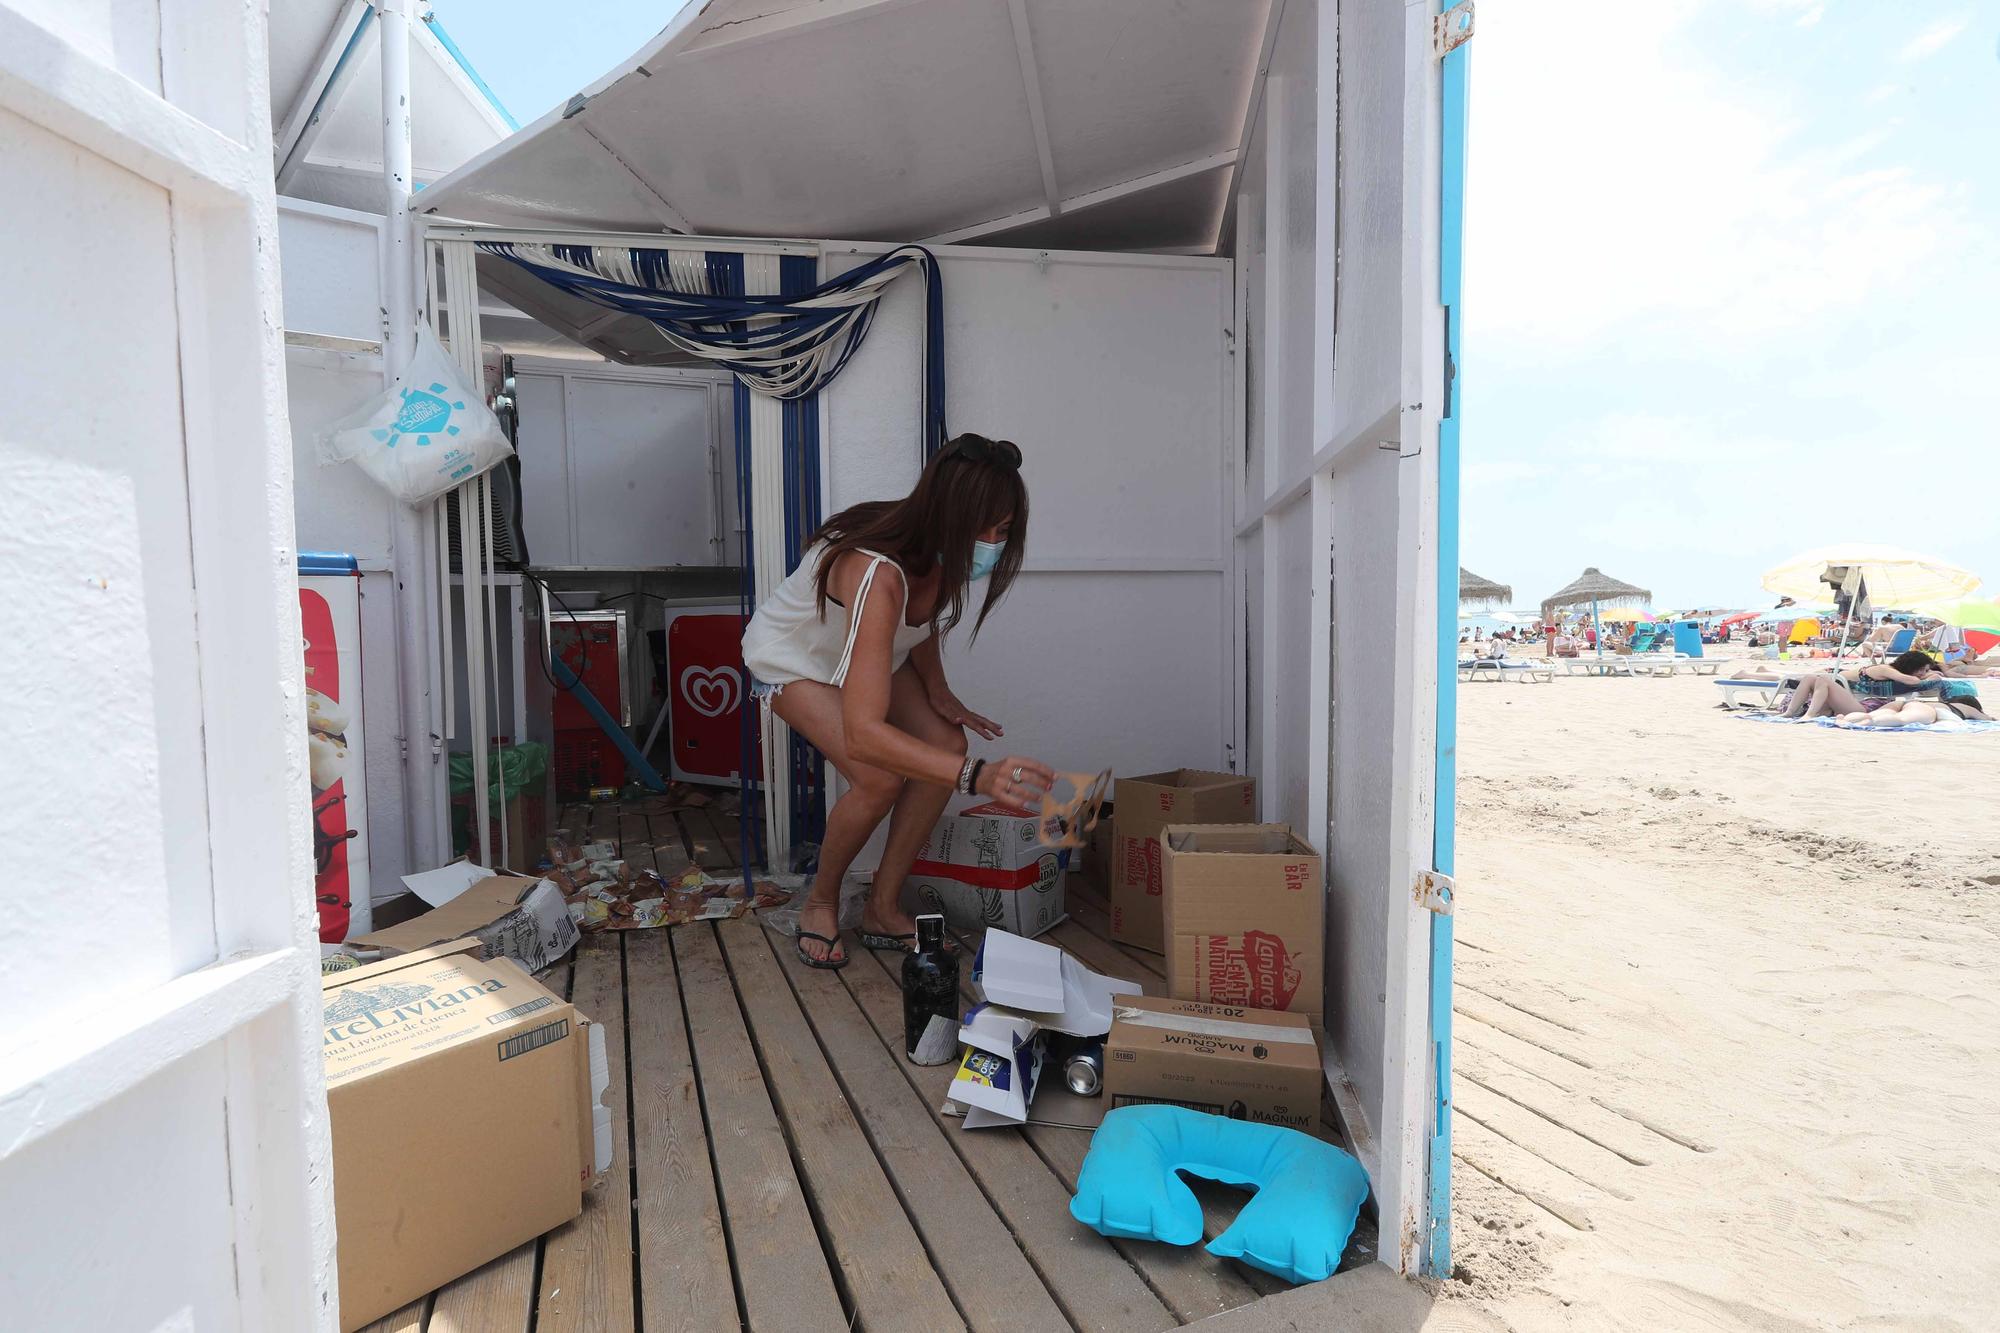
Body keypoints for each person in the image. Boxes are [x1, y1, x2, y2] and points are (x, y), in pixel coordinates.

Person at [740, 434, 1056, 969]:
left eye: (1001, 531)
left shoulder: (941, 551)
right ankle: (821, 902)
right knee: (878, 775)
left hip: (870, 653)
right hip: (794, 660)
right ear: (947, 514)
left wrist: (937, 690)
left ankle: (883, 908)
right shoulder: (874, 572)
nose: (991, 542)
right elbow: (864, 734)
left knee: (946, 741)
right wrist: (977, 775)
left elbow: (921, 621)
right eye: (981, 528)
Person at [1781, 650, 1943, 720]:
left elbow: (1916, 680)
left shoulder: (1896, 674)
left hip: (1858, 703)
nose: (1923, 674)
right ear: (1913, 666)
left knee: (1820, 679)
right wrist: (1929, 676)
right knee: (1811, 677)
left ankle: (1809, 714)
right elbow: (1912, 680)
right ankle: (1790, 713)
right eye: (1923, 670)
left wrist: (1930, 674)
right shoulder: (1885, 669)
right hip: (1841, 684)